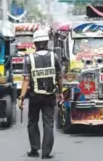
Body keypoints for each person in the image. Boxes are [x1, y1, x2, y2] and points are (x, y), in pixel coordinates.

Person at [18, 29, 64, 159]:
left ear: (35, 44)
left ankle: (34, 149)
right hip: (50, 96)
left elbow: (26, 80)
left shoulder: (29, 59)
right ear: (46, 43)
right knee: (48, 123)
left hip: (34, 96)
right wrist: (60, 92)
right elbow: (60, 76)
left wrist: (21, 97)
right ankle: (46, 153)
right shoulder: (53, 57)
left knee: (32, 122)